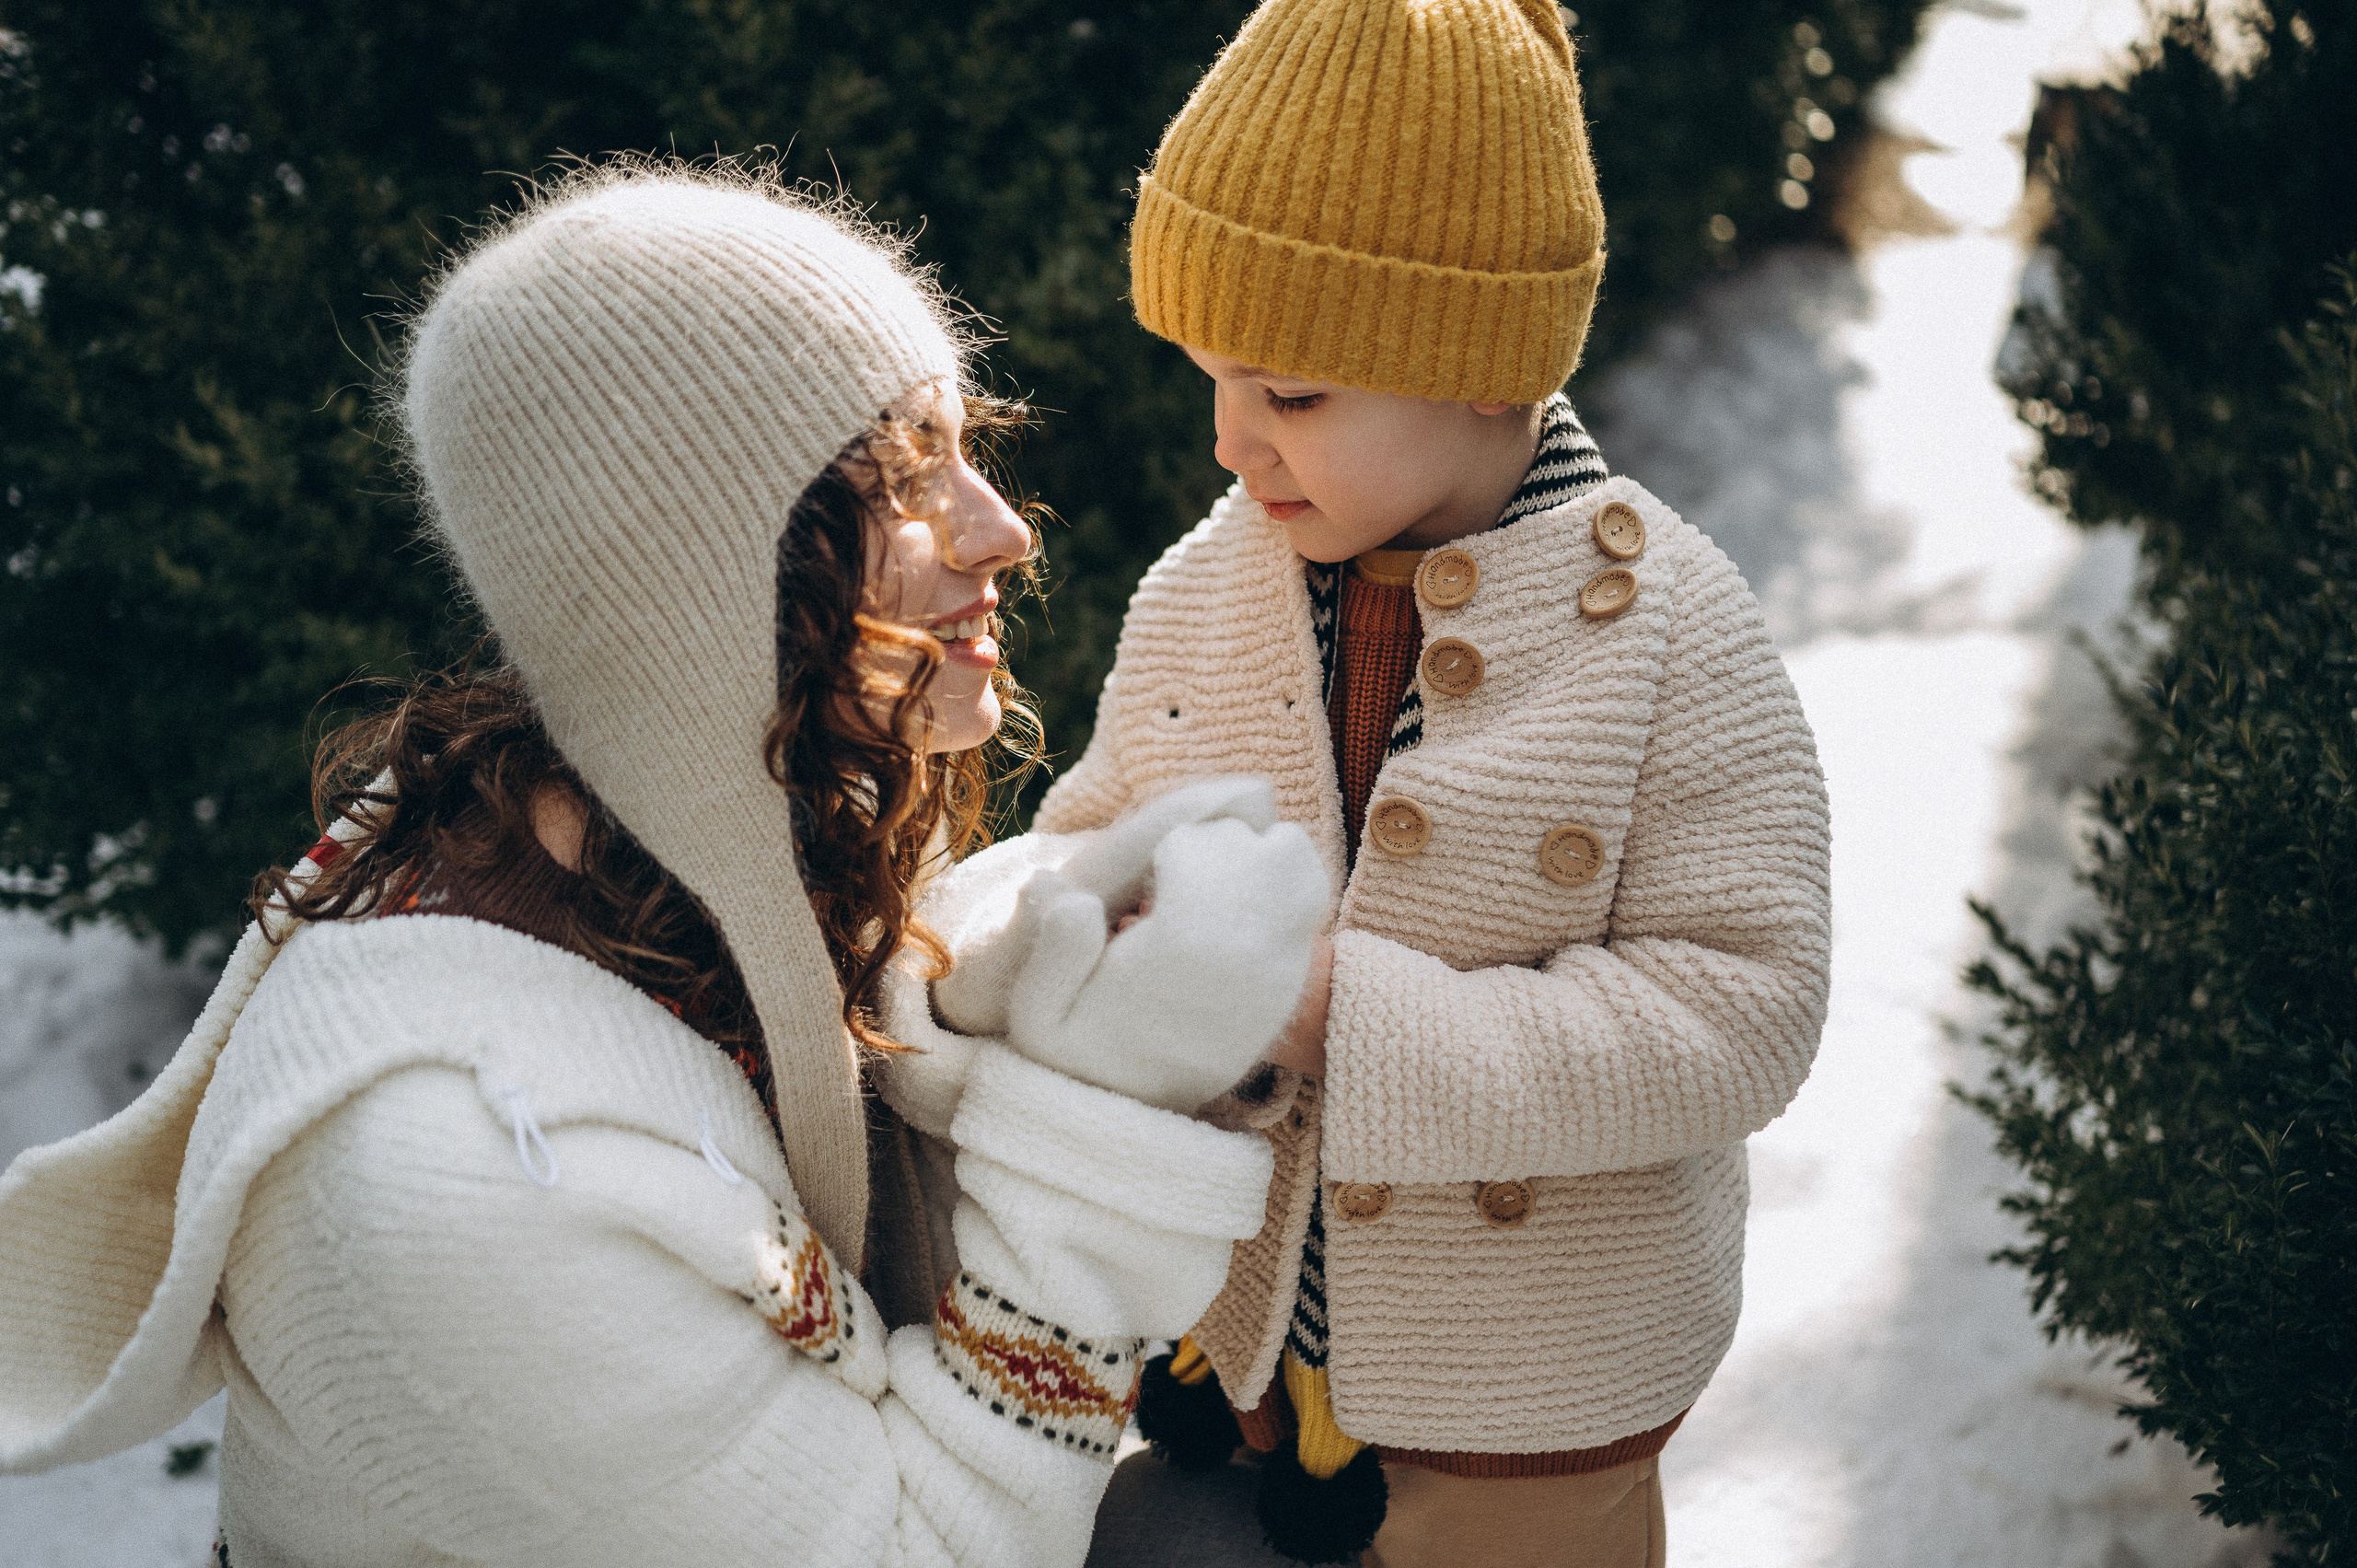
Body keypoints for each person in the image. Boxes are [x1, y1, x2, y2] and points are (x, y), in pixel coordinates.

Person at [0, 160, 1335, 1567]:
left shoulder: (683, 853)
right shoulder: (472, 1172)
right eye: (899, 481)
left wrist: (1021, 966)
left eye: (968, 446)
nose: (1003, 532)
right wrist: (1104, 1115)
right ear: (695, 583)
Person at [883, 4, 1835, 1565]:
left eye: (1292, 395)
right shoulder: (1210, 587)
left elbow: (1745, 1010)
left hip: (1529, 1415)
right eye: (1211, 380)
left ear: (1477, 364)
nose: (1228, 441)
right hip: (1232, 1362)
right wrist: (1055, 948)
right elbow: (1090, 844)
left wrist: (1345, 1012)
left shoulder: (1670, 629)